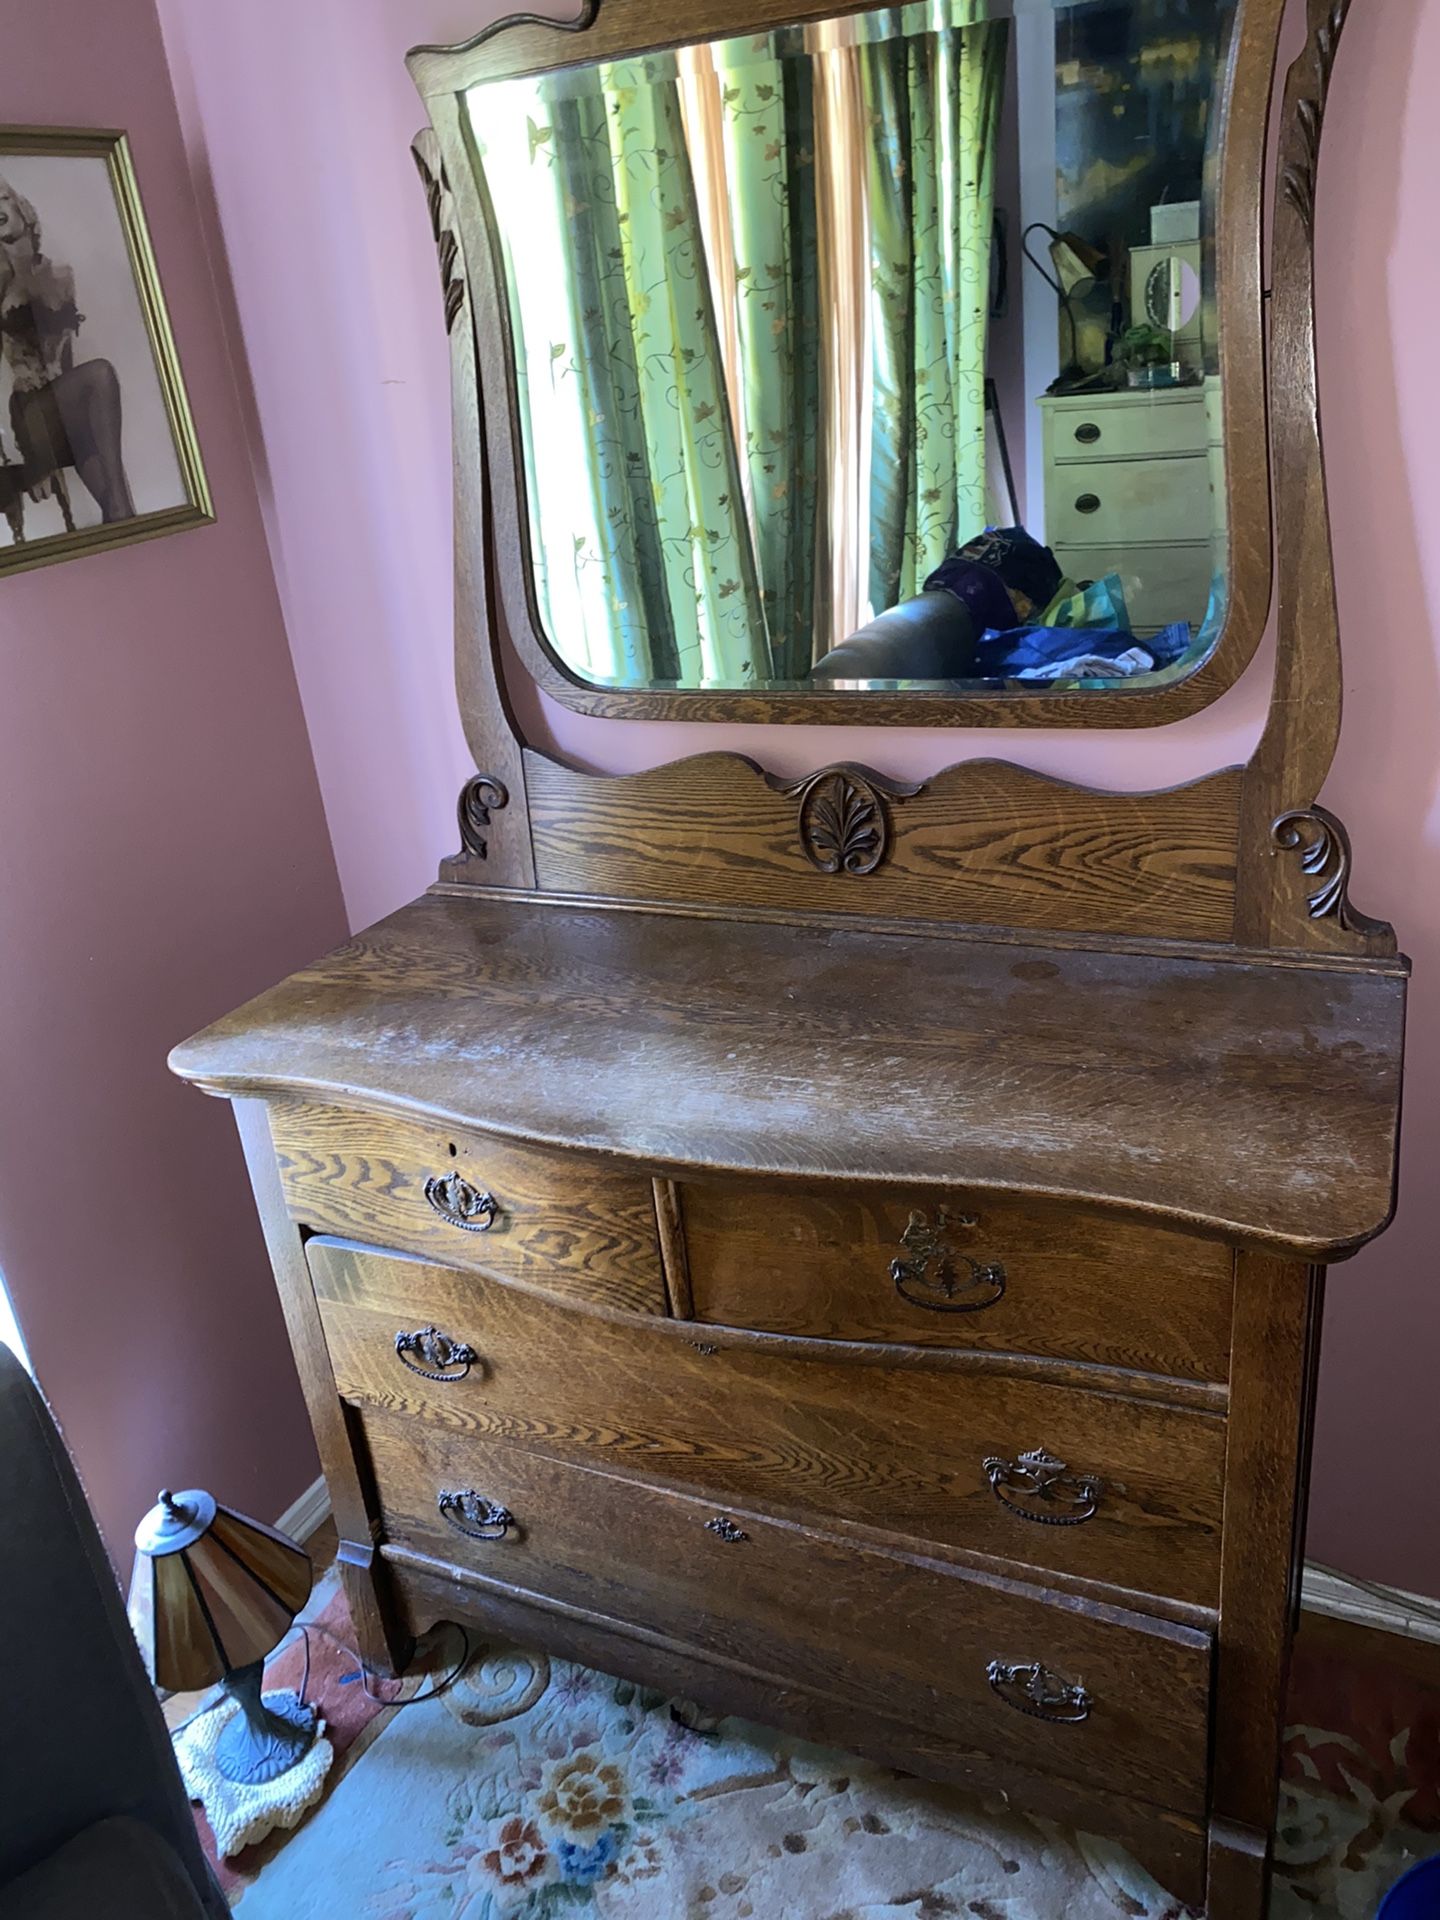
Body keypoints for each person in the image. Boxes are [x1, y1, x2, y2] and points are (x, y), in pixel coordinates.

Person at [0, 172, 135, 530]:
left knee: (117, 506)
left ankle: (123, 526)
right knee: (102, 374)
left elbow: (66, 356)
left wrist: (80, 411)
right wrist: (25, 455)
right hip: (32, 411)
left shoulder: (60, 276)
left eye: (1, 198)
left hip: (61, 404)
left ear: (19, 205)